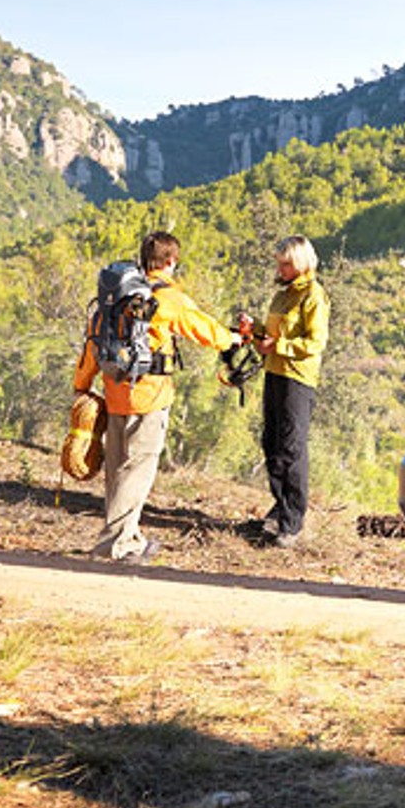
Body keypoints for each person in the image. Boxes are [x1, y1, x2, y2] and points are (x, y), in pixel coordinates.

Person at [74, 231, 238, 562]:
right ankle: (118, 544)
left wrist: (82, 384)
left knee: (118, 468)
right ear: (171, 261)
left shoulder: (114, 297)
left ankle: (127, 535)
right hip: (150, 395)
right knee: (137, 469)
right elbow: (204, 329)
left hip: (114, 391)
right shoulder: (167, 298)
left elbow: (94, 341)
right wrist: (231, 339)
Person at [256, 235, 330, 548]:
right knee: (271, 443)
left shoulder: (314, 295)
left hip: (298, 380)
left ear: (300, 263)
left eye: (286, 264)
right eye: (280, 263)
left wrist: (280, 345)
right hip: (274, 374)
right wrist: (253, 331)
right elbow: (270, 335)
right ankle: (279, 506)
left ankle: (292, 521)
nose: (281, 269)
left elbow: (315, 343)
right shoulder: (282, 295)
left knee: (291, 448)